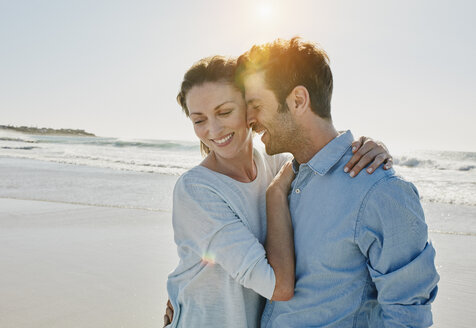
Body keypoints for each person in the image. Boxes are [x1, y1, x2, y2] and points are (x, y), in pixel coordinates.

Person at [164, 55, 393, 327]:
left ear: (250, 110)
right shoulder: (197, 190)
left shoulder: (276, 165)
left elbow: (319, 148)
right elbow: (279, 288)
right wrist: (274, 196)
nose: (212, 130)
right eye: (198, 120)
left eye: (224, 112)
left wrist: (366, 147)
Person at [234, 37, 439, 327]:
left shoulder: (380, 190)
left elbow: (407, 316)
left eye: (255, 105)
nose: (248, 119)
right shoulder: (278, 178)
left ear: (298, 100)